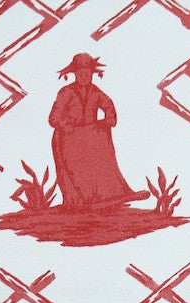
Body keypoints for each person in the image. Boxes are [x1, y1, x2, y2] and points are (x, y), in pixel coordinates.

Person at [48, 53, 142, 211]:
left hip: (90, 136)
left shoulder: (95, 92)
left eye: (87, 73)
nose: (84, 76)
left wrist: (108, 119)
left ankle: (112, 194)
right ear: (75, 73)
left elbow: (108, 105)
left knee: (100, 137)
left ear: (92, 73)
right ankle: (84, 200)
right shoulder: (66, 92)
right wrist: (66, 126)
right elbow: (53, 118)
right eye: (80, 72)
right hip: (69, 138)